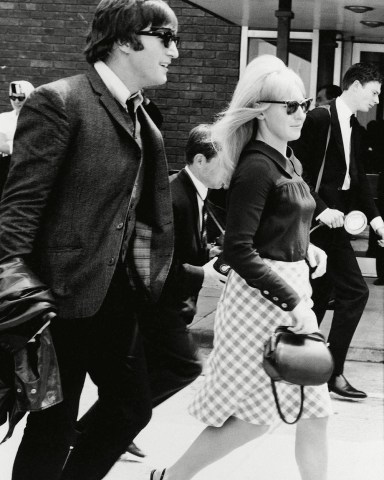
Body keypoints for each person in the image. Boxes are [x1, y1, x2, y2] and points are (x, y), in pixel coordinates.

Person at [0, 0, 179, 479]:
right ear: (124, 40)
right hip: (56, 300)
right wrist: (17, 301)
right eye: (166, 37)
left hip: (113, 298)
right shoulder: (60, 101)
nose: (174, 51)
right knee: (51, 429)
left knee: (131, 408)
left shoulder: (141, 114)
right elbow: (19, 210)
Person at [150, 54, 331, 480]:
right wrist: (292, 301)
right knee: (261, 416)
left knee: (308, 411)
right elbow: (240, 249)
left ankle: (170, 478)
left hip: (286, 290)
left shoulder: (287, 160)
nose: (300, 113)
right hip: (262, 304)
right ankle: (172, 477)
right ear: (260, 109)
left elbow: (279, 226)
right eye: (290, 106)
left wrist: (308, 249)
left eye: (303, 104)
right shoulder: (256, 166)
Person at [76, 124, 227, 458]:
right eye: (225, 160)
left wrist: (210, 254)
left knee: (140, 379)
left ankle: (105, 423)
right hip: (154, 306)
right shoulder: (175, 197)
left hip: (164, 304)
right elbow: (156, 264)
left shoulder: (194, 194)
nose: (230, 169)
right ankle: (111, 422)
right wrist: (203, 274)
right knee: (185, 366)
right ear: (201, 160)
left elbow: (183, 250)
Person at [291, 63, 384, 400]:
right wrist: (321, 207)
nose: (376, 99)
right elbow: (292, 170)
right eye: (374, 92)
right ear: (356, 85)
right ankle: (331, 371)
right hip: (319, 225)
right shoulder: (318, 119)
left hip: (338, 224)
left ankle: (301, 370)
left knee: (316, 298)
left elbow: (356, 181)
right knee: (356, 293)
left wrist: (375, 220)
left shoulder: (354, 127)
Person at [0, 80, 34, 194]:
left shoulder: (36, 120)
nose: (16, 101)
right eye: (12, 97)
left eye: (20, 97)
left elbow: (20, 147)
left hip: (24, 171)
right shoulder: (4, 118)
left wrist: (7, 143)